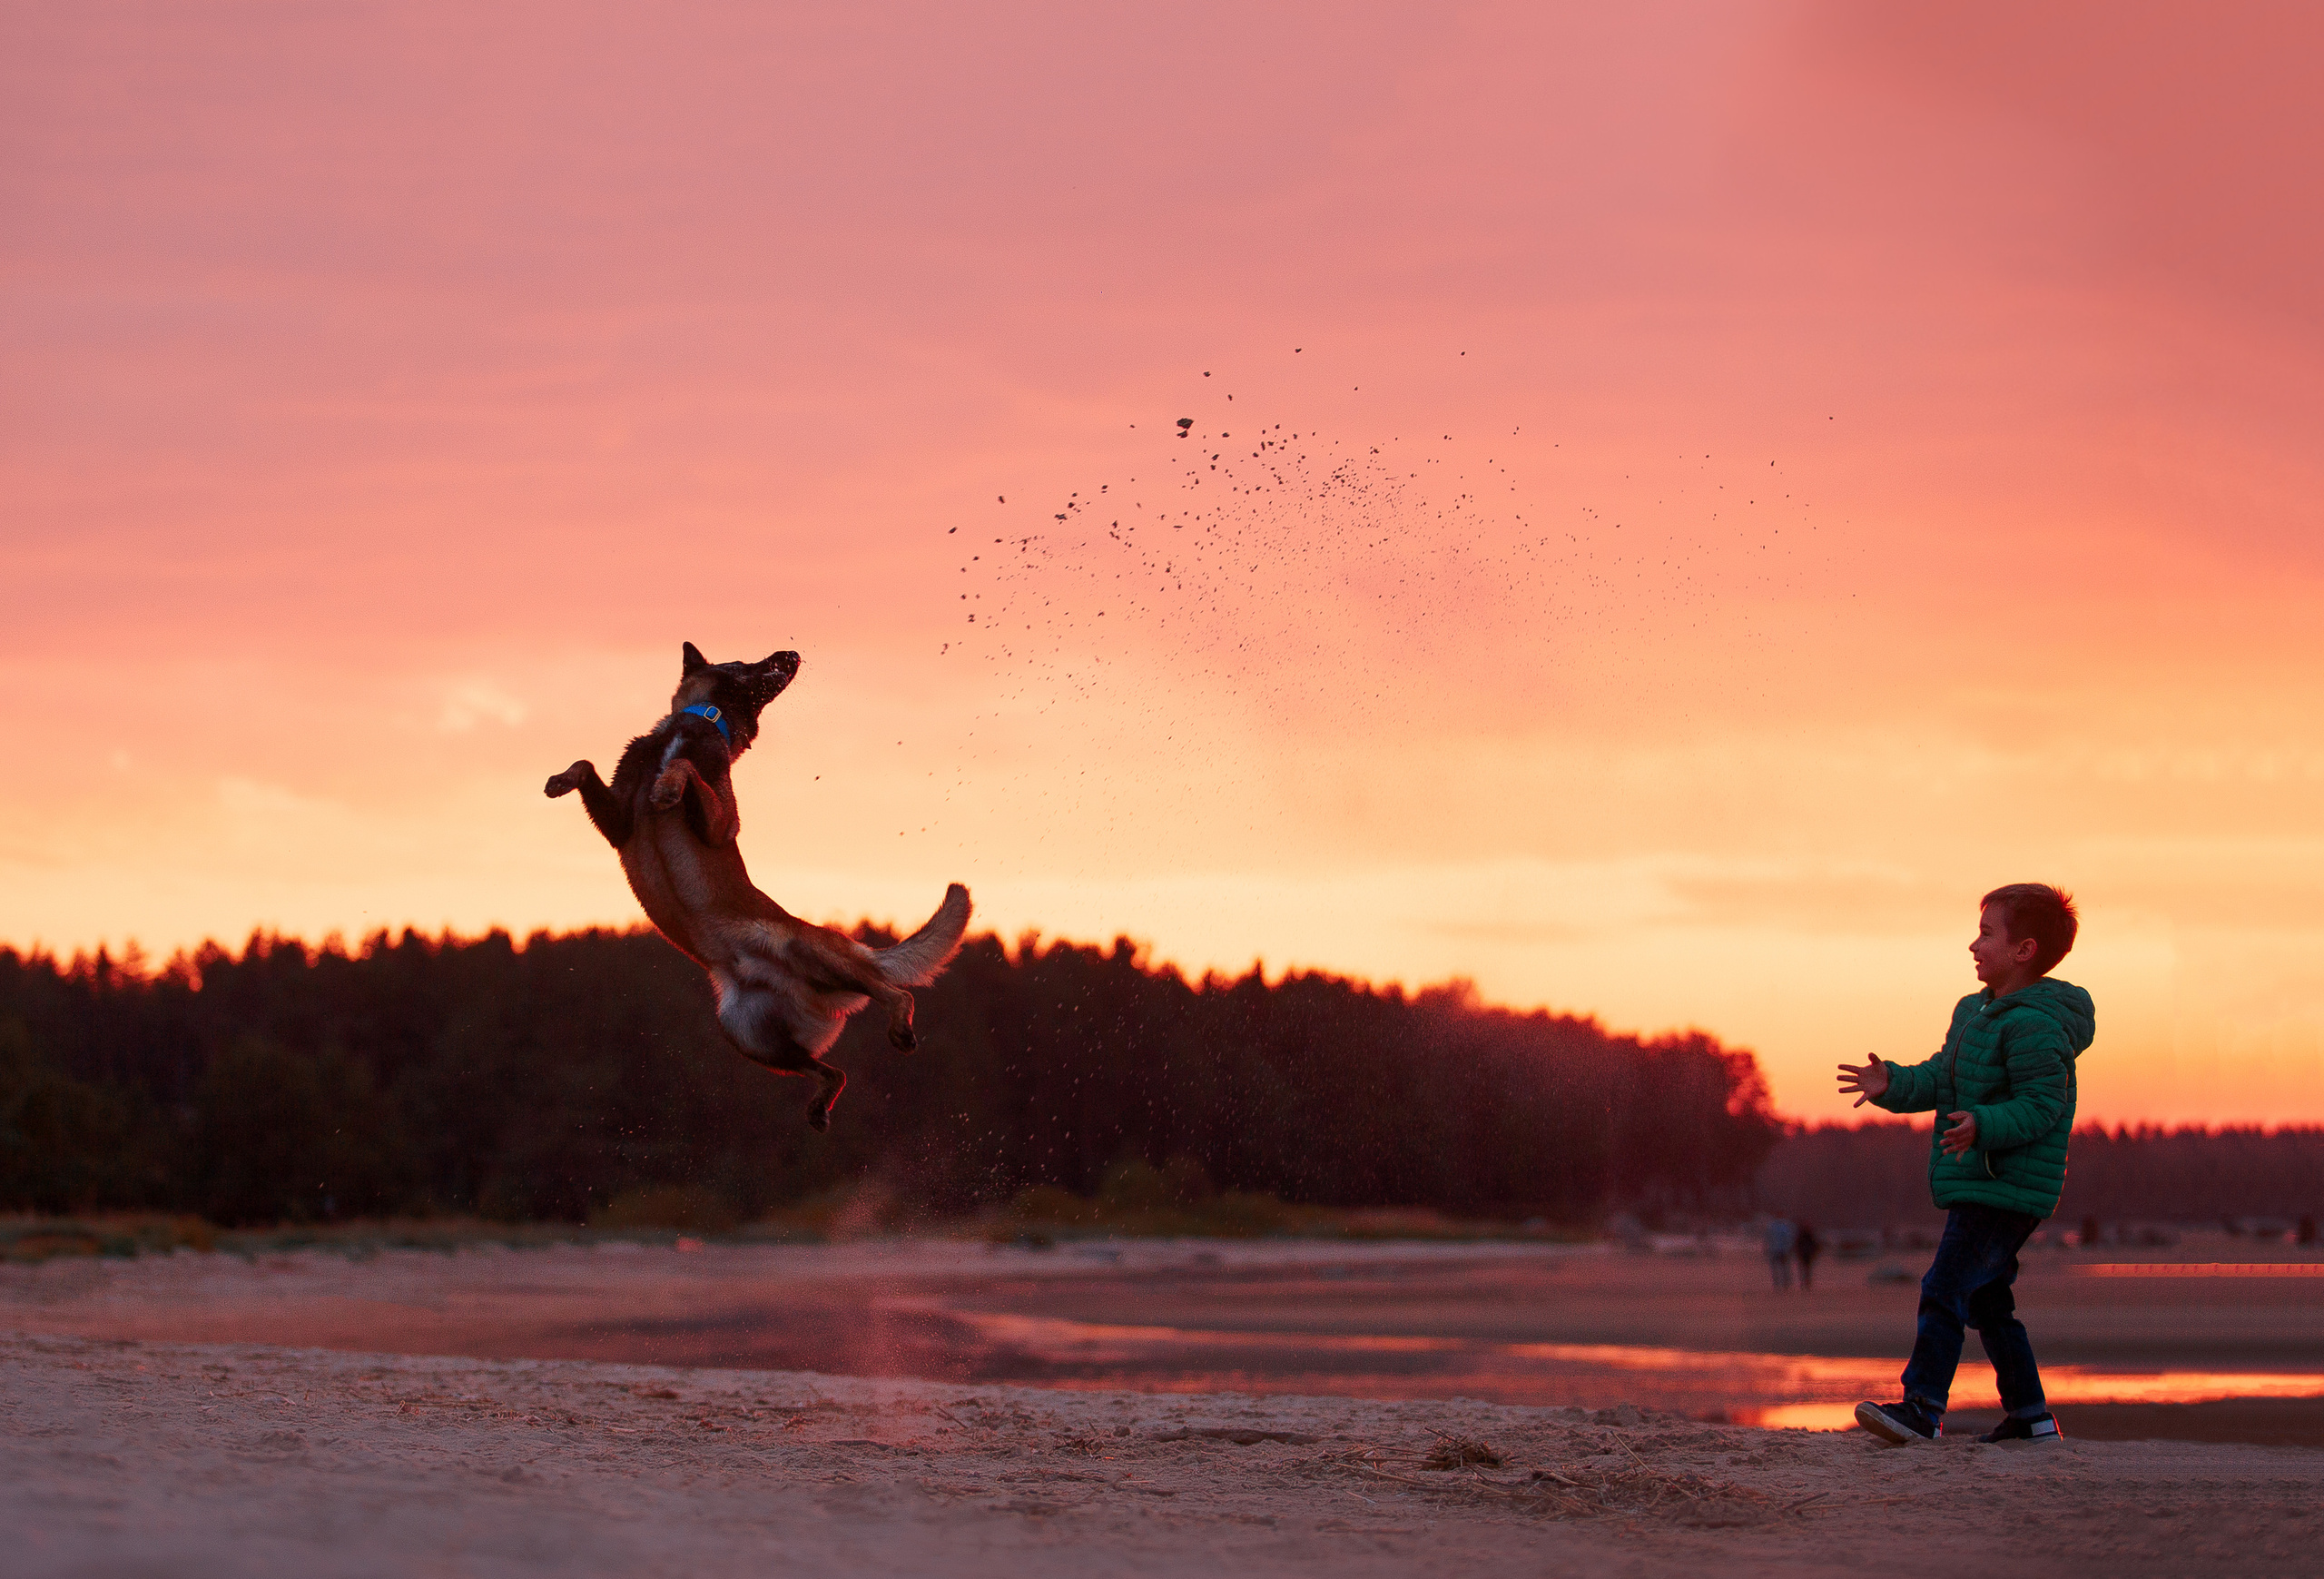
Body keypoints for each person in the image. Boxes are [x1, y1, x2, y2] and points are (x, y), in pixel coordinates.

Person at [1836, 883, 2093, 1446]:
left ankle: (1922, 1409)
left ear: (2024, 950)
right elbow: (1941, 1077)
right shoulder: (1974, 1011)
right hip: (1981, 1179)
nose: (1973, 945)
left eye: (1986, 934)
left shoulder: (2036, 1024)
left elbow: (2042, 1106)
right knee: (1986, 1299)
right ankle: (2032, 1417)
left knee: (1944, 1286)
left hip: (2006, 1185)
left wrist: (1982, 1125)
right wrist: (1893, 1082)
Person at [1764, 1216, 1796, 1289]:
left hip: (1775, 1250)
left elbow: (1768, 1238)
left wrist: (1766, 1248)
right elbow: (1789, 1239)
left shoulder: (1772, 1227)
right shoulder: (1785, 1227)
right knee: (1783, 1267)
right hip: (1782, 1250)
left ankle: (1777, 1282)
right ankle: (1784, 1282)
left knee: (1776, 1267)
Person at [1793, 1221, 1822, 1291]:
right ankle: (1806, 1281)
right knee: (1806, 1269)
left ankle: (1805, 1282)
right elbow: (1815, 1245)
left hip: (1805, 1253)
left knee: (1804, 1269)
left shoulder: (1803, 1235)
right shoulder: (1806, 1235)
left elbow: (1815, 1244)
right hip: (1806, 1253)